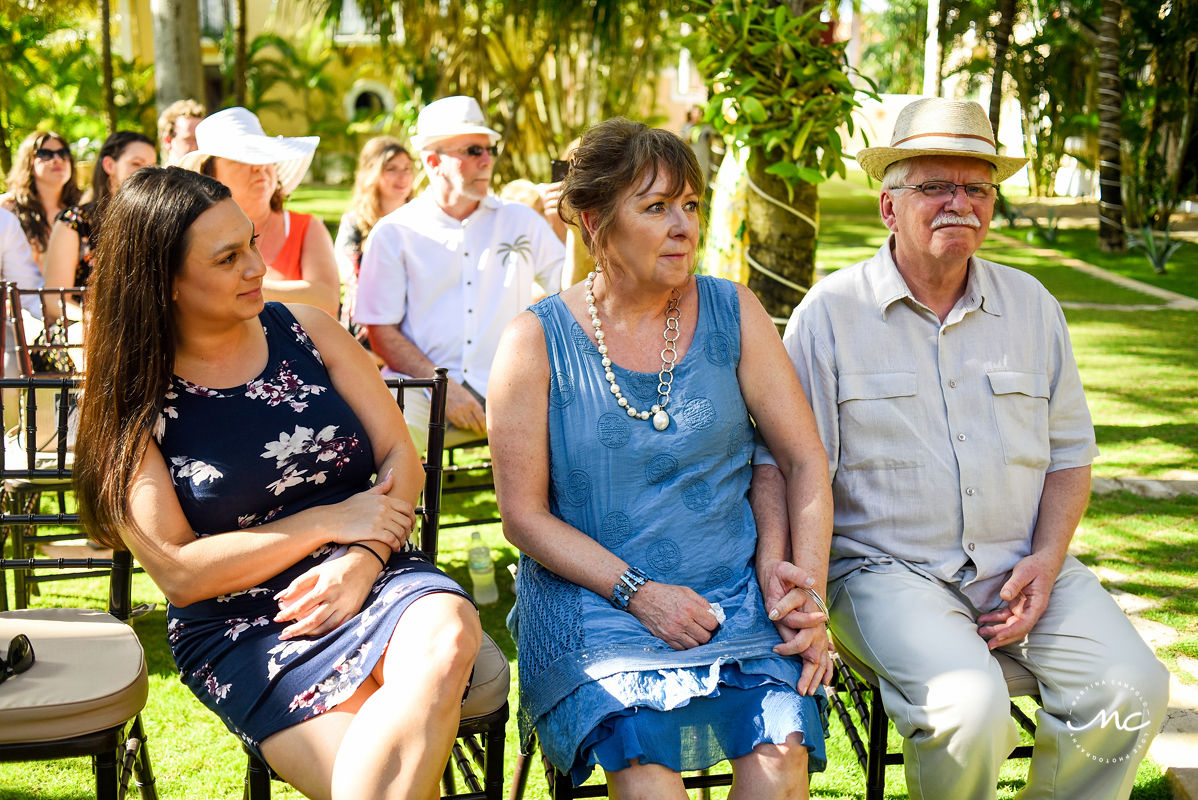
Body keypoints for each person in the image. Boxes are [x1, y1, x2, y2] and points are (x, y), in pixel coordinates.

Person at [769, 97, 1170, 800]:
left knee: (1133, 686)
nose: (961, 203)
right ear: (889, 207)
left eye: (977, 188)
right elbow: (795, 469)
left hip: (1020, 563)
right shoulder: (830, 315)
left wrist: (1047, 560)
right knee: (971, 712)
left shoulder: (1033, 306)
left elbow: (1071, 454)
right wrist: (805, 592)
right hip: (887, 574)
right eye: (935, 187)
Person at [73, 166, 481, 800]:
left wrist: (362, 557)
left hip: (374, 573)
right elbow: (181, 571)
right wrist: (326, 522)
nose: (257, 266)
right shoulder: (129, 402)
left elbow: (402, 454)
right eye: (228, 257)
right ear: (165, 283)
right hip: (247, 623)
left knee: (450, 628)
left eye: (254, 243)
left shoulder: (308, 332)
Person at [488, 118, 833, 798]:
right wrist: (640, 594)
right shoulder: (534, 342)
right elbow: (522, 517)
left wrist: (805, 591)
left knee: (782, 763)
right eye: (655, 207)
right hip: (594, 598)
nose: (683, 225)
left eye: (690, 205)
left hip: (734, 591)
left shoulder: (735, 311)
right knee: (648, 781)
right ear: (594, 222)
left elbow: (803, 461)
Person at [355, 96, 564, 449]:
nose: (487, 160)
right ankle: (399, 505)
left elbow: (573, 291)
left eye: (488, 149)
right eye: (472, 150)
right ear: (434, 162)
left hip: (514, 387)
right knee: (388, 441)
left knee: (575, 434)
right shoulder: (394, 233)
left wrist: (569, 227)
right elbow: (380, 331)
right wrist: (442, 388)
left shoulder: (522, 221)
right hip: (419, 386)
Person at [181, 107, 340, 317]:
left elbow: (327, 300)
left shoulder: (306, 228)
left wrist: (246, 288)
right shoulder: (194, 236)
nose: (259, 167)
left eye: (264, 155)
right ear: (210, 173)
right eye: (242, 158)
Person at [43, 130, 155, 297]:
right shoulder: (74, 222)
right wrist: (92, 322)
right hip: (83, 321)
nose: (147, 173)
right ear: (109, 165)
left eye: (152, 167)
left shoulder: (155, 221)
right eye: (136, 164)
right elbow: (54, 299)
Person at [334, 137, 415, 332]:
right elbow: (354, 282)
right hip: (367, 326)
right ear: (372, 173)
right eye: (391, 169)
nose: (402, 177)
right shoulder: (354, 223)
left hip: (416, 323)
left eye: (407, 168)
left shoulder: (421, 220)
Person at [0, 130, 83, 269]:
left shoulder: (82, 209)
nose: (57, 159)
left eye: (63, 153)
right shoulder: (7, 207)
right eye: (45, 154)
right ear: (28, 163)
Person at [157, 98, 205, 165]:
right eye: (190, 139)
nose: (198, 145)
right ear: (167, 140)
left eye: (201, 139)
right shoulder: (157, 175)